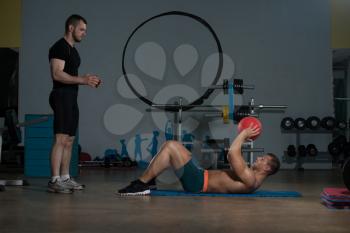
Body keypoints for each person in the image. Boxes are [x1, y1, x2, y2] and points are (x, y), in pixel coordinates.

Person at [118, 124, 280, 195]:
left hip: (197, 183)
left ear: (267, 168)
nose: (259, 158)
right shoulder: (251, 178)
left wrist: (244, 134)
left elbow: (231, 153)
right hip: (200, 176)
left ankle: (141, 184)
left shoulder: (251, 179)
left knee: (171, 146)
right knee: (174, 151)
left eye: (263, 159)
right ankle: (150, 180)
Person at [47, 14, 101, 193]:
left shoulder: (74, 51)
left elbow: (71, 75)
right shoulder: (59, 47)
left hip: (71, 97)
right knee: (60, 139)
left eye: (85, 30)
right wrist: (82, 80)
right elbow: (57, 74)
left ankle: (65, 177)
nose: (84, 33)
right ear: (71, 28)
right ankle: (54, 180)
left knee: (69, 140)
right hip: (61, 95)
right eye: (82, 29)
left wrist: (88, 79)